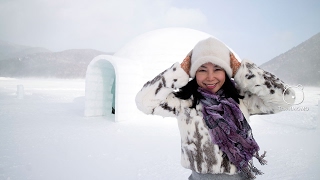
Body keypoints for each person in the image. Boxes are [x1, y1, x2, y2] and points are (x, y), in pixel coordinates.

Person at [135, 37, 295, 179]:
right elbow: (144, 101)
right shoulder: (184, 103)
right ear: (193, 73)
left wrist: (243, 70)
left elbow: (286, 99)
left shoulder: (241, 99)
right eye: (202, 70)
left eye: (218, 69)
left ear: (227, 71)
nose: (210, 77)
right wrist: (179, 72)